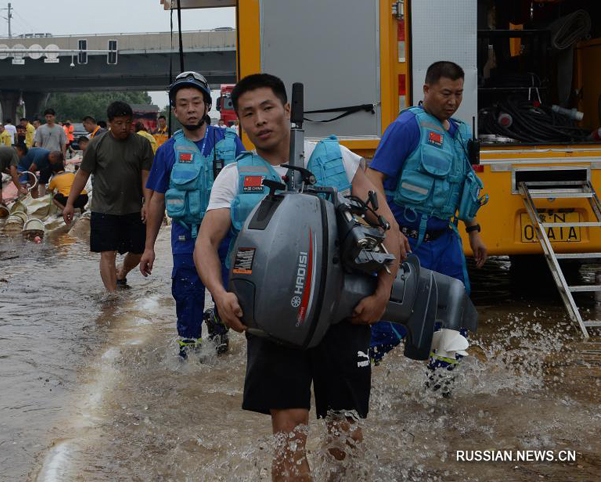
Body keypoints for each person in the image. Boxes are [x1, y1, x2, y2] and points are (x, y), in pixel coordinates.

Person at [193, 74, 402, 479]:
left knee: (346, 438)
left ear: (287, 110)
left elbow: (387, 226)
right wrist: (219, 295)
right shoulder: (234, 176)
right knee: (288, 441)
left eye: (268, 108)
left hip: (344, 316)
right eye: (248, 114)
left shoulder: (335, 157)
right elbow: (205, 242)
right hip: (273, 324)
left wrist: (382, 294)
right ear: (240, 123)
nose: (260, 120)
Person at [365, 61, 488, 379]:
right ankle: (353, 384)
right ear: (427, 89)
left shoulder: (460, 134)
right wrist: (388, 228)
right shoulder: (408, 126)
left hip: (445, 243)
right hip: (407, 240)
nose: (453, 100)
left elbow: (464, 187)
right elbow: (373, 179)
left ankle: (440, 388)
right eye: (446, 93)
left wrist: (473, 231)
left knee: (455, 316)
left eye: (459, 93)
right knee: (389, 322)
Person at [140, 71, 246, 359]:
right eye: (183, 104)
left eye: (196, 102)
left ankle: (217, 322)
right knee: (187, 294)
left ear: (207, 105)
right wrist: (149, 247)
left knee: (230, 296)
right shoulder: (168, 151)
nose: (190, 109)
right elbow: (157, 199)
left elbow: (251, 189)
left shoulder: (231, 143)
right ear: (174, 110)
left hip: (227, 238)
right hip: (187, 236)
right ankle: (188, 352)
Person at [62, 101, 154, 292]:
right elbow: (82, 174)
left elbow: (146, 176)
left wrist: (147, 202)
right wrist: (69, 203)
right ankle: (111, 296)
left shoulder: (142, 144)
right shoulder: (97, 144)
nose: (124, 128)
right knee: (107, 253)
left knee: (138, 251)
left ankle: (123, 273)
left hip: (133, 208)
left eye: (128, 123)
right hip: (104, 208)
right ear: (110, 122)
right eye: (119, 123)